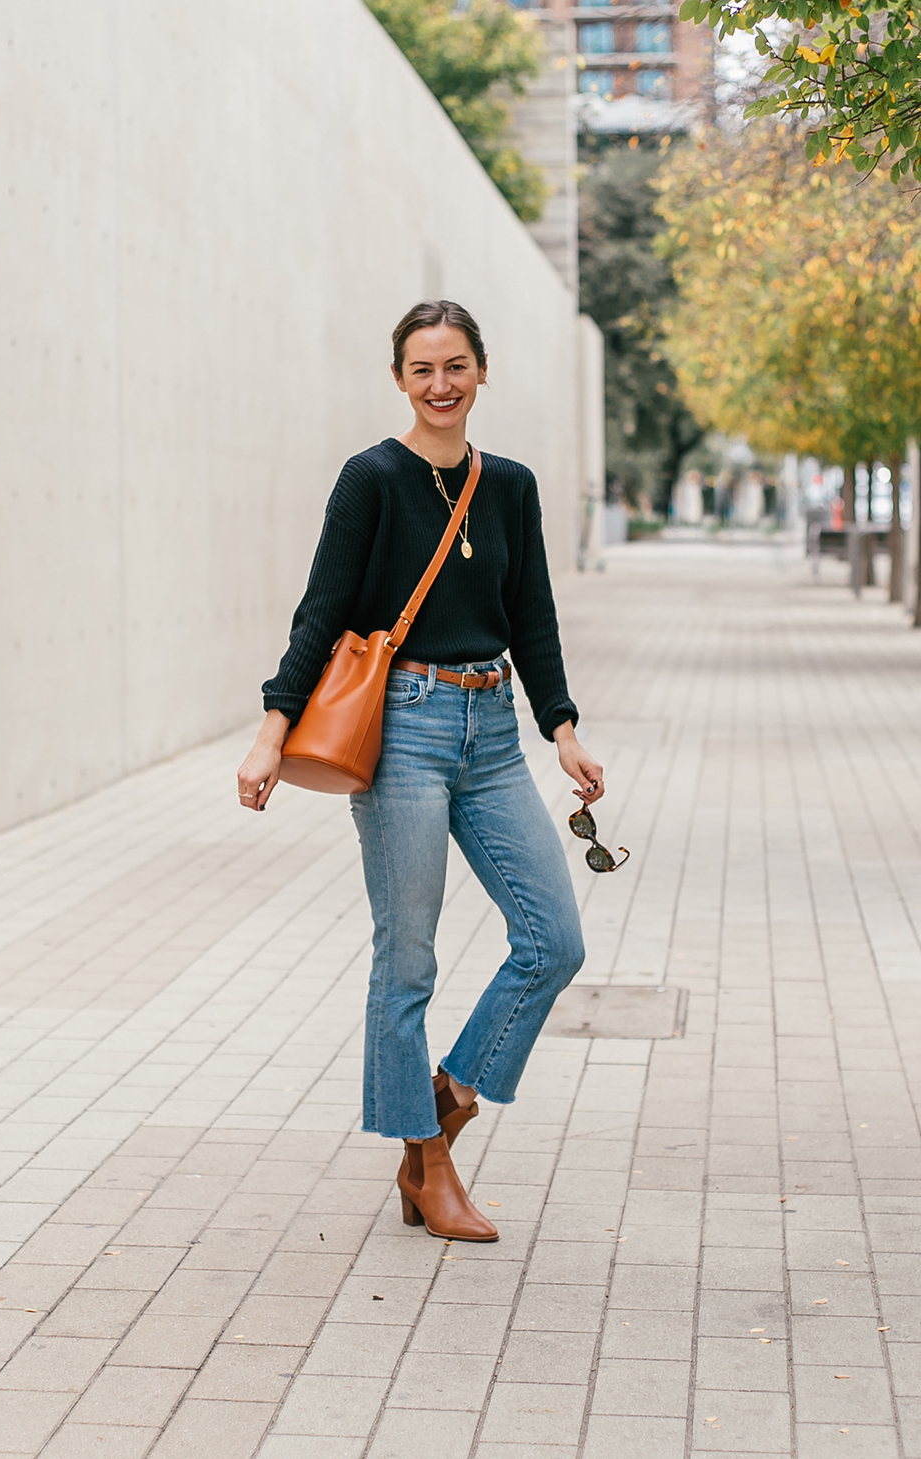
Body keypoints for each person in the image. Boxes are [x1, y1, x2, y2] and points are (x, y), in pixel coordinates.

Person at [237, 300, 604, 1243]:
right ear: (399, 378)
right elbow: (321, 610)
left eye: (455, 366)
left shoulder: (511, 486)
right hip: (402, 723)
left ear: (483, 371)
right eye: (421, 369)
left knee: (553, 938)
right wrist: (271, 730)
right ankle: (427, 1163)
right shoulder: (372, 479)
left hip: (490, 728)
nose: (440, 385)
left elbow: (533, 617)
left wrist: (560, 727)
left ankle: (442, 1099)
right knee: (408, 957)